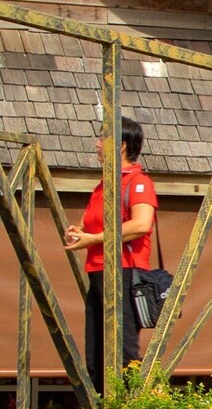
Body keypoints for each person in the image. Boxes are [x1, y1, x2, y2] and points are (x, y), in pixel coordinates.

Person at [63, 116, 157, 393]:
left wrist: (93, 239)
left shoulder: (138, 183)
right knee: (96, 350)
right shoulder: (103, 185)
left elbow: (140, 225)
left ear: (121, 146)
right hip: (98, 271)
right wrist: (78, 231)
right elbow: (89, 223)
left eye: (102, 138)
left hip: (124, 271)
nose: (96, 144)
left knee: (123, 349)